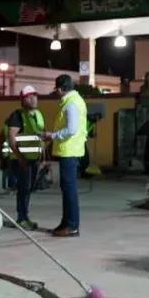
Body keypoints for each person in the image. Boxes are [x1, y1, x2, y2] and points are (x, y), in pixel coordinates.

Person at [41, 74, 88, 237]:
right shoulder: (75, 101)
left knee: (69, 190)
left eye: (57, 90)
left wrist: (52, 136)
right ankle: (66, 223)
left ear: (61, 89)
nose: (56, 93)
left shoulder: (71, 104)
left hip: (69, 151)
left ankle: (72, 225)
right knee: (67, 189)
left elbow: (71, 129)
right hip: (71, 151)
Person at [1, 85, 46, 230]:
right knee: (23, 189)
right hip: (21, 160)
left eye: (34, 96)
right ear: (22, 100)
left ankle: (24, 216)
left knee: (29, 188)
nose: (33, 99)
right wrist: (19, 157)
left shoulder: (38, 115)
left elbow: (39, 137)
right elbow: (11, 138)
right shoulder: (17, 116)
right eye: (28, 97)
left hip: (34, 158)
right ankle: (22, 218)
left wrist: (43, 157)